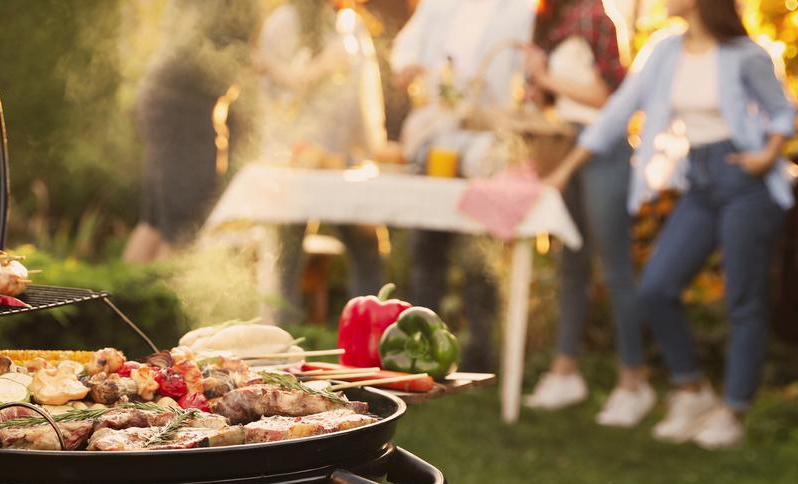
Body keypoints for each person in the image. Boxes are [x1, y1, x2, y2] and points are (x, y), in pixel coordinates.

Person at [544, 0, 797, 449]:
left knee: (743, 300)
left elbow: (781, 111)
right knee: (656, 289)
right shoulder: (664, 51)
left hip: (745, 182)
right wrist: (566, 169)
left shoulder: (744, 54)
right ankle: (692, 391)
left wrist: (768, 154)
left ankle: (733, 411)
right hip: (699, 181)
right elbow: (617, 111)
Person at [519, 0, 655, 427]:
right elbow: (555, 96)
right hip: (562, 145)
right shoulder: (553, 22)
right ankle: (565, 372)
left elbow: (606, 95)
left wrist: (546, 76)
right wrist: (538, 85)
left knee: (614, 267)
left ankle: (634, 381)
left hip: (603, 150)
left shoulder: (596, 18)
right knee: (570, 264)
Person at [390, 0, 535, 370]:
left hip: (484, 145)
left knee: (479, 258)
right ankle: (420, 348)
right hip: (435, 137)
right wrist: (407, 65)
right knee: (427, 249)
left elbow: (530, 75)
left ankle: (479, 354)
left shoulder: (518, 11)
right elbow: (407, 47)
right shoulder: (438, 5)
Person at [254, 0, 389, 322]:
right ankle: (280, 340)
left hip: (344, 162)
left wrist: (375, 146)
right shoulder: (284, 22)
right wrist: (320, 69)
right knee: (286, 256)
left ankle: (368, 333)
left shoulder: (351, 23)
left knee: (369, 249)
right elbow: (272, 97)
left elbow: (366, 95)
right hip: (296, 161)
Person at [123, 1, 260, 263]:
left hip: (161, 98)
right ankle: (162, 303)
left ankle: (126, 301)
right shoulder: (235, 8)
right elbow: (236, 64)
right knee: (182, 232)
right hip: (183, 112)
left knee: (153, 222)